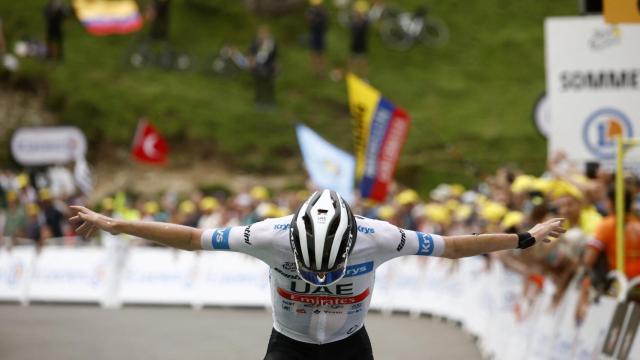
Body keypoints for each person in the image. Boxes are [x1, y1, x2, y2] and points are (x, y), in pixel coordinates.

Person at [69, 189, 564, 359]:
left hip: (351, 346)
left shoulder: (381, 235)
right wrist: (117, 225)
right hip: (290, 346)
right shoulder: (269, 234)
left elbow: (454, 246)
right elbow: (192, 236)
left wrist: (525, 236)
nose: (323, 281)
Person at [249, 25, 278, 108]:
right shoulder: (255, 43)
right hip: (258, 67)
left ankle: (270, 101)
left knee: (270, 84)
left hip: (269, 67)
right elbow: (251, 55)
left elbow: (275, 57)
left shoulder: (272, 44)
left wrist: (276, 67)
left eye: (265, 33)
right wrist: (252, 63)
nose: (263, 35)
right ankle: (258, 100)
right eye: (261, 33)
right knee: (259, 84)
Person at [306, 0, 329, 76]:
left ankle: (321, 71)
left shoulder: (323, 12)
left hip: (320, 35)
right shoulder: (310, 12)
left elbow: (325, 23)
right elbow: (309, 21)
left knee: (321, 54)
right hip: (314, 35)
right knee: (314, 54)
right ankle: (316, 71)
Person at [349, 1, 370, 78]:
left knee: (363, 61)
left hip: (362, 44)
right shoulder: (355, 22)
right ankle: (353, 75)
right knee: (353, 60)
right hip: (355, 44)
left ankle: (363, 76)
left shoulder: (365, 22)